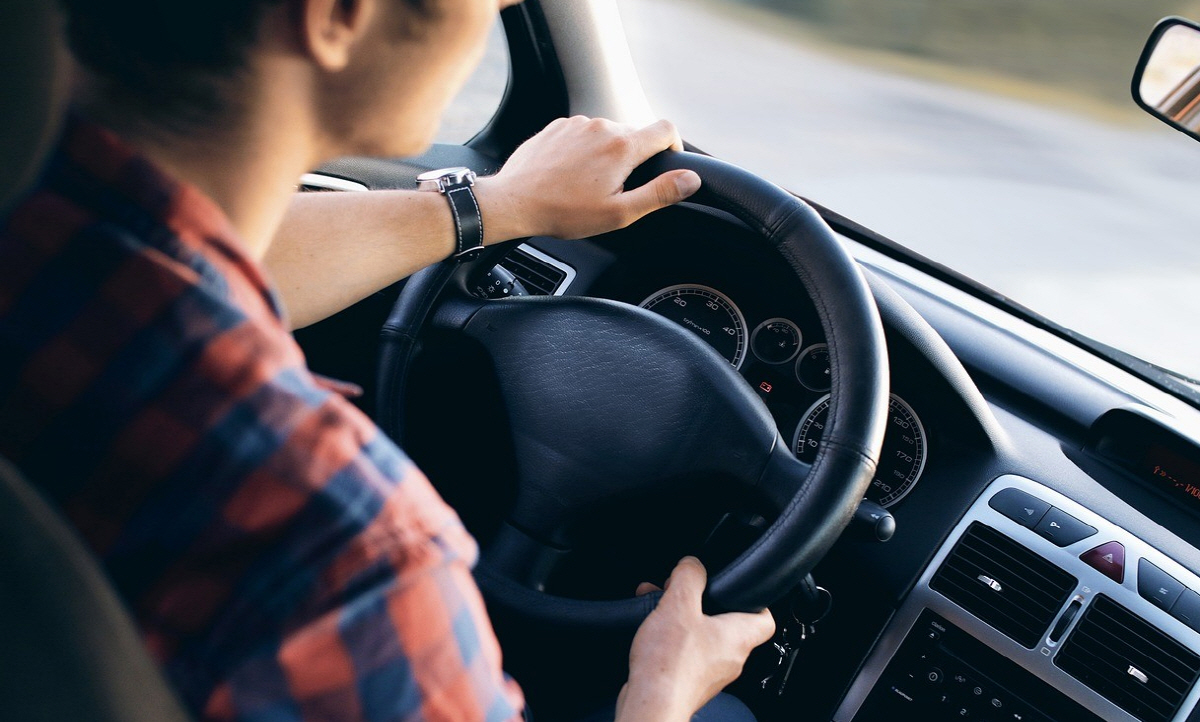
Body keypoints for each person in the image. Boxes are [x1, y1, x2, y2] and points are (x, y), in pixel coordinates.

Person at [0, 0, 776, 721]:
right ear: (338, 16)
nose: (507, 4)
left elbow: (199, 255)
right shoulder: (347, 559)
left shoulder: (38, 223)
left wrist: (499, 205)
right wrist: (661, 692)